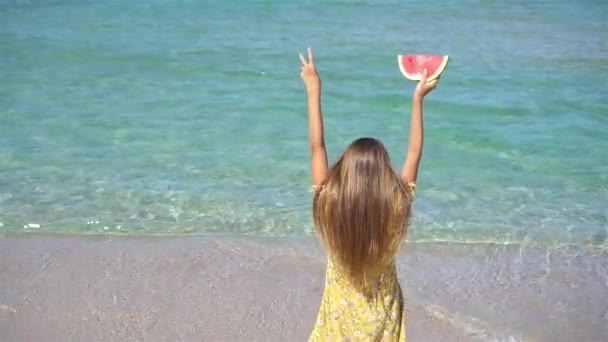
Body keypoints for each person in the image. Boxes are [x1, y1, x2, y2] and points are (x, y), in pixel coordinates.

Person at [299, 47, 439, 341]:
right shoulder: (395, 213)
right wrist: (418, 100)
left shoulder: (329, 209)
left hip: (339, 329)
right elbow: (414, 154)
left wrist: (313, 89)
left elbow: (317, 146)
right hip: (381, 324)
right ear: (384, 178)